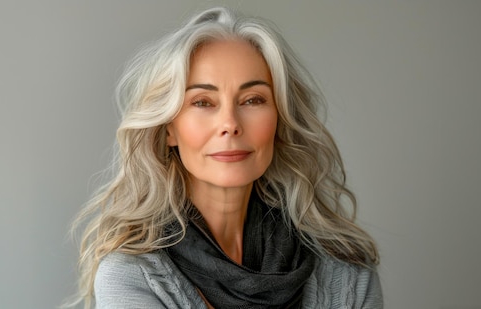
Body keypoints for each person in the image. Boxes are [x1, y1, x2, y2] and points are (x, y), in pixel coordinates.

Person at [69, 7, 382, 309]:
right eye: (203, 102)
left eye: (252, 99)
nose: (230, 123)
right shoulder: (132, 276)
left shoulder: (345, 271)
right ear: (169, 130)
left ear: (279, 121)